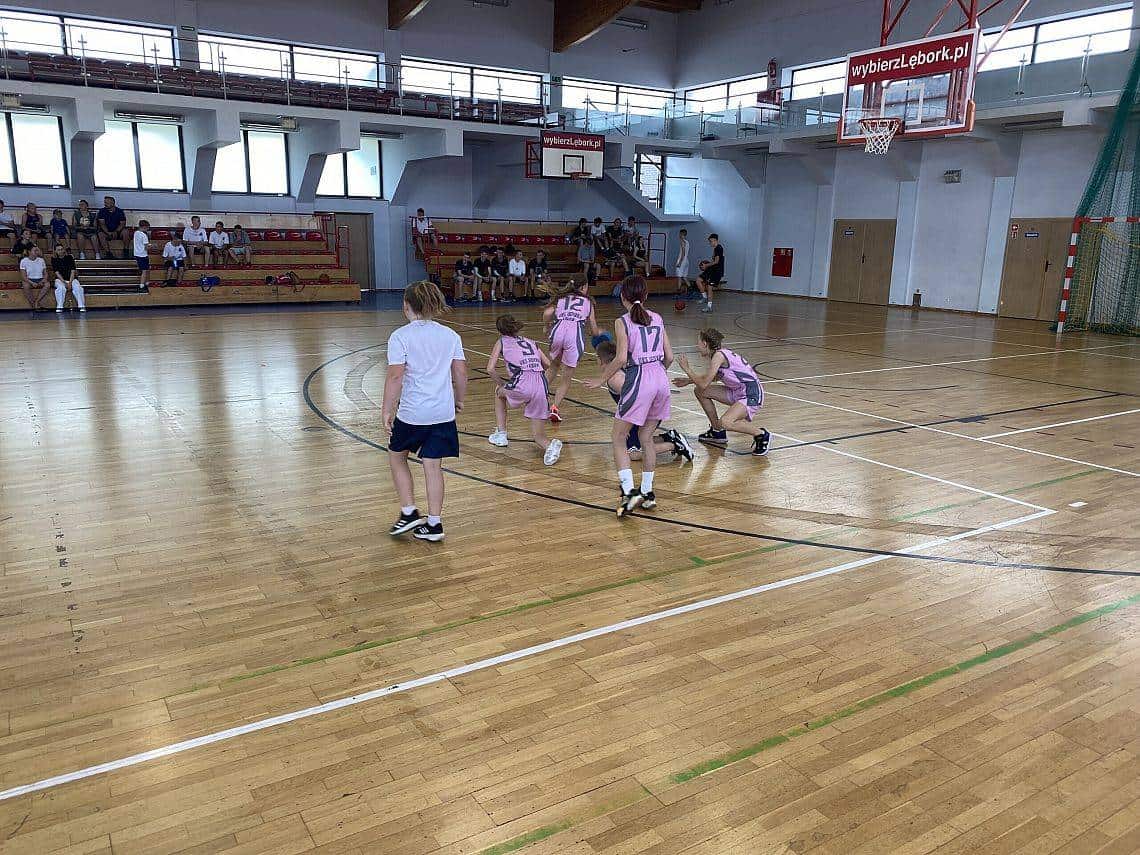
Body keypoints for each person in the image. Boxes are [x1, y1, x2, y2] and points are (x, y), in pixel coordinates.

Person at [383, 280, 467, 543]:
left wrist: (387, 409)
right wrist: (459, 400)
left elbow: (395, 376)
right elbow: (460, 372)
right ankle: (434, 523)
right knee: (433, 466)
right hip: (442, 413)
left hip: (413, 413)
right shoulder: (450, 335)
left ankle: (409, 511)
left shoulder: (400, 336)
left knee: (397, 456)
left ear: (406, 305)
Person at [584, 275, 674, 517]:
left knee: (618, 437)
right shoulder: (658, 318)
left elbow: (621, 358)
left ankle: (628, 493)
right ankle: (648, 493)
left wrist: (601, 379)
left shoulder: (622, 321)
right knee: (646, 438)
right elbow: (670, 357)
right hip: (661, 379)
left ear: (622, 296)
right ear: (646, 296)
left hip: (640, 379)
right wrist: (657, 374)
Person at [674, 327, 771, 455]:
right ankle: (717, 431)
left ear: (705, 344)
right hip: (738, 391)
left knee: (725, 422)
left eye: (698, 343)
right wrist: (689, 380)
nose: (697, 347)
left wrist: (687, 369)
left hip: (750, 394)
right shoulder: (719, 355)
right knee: (700, 391)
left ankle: (761, 434)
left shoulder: (719, 356)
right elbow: (713, 378)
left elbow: (704, 383)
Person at [595, 338, 692, 463]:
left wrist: (625, 422)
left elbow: (635, 397)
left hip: (647, 410)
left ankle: (676, 445)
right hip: (646, 409)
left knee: (633, 454)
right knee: (634, 440)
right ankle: (669, 437)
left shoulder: (615, 378)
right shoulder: (618, 371)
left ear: (599, 360)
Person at [486, 314, 562, 466]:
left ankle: (501, 434)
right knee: (538, 436)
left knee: (498, 392)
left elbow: (490, 369)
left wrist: (501, 384)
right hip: (540, 384)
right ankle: (550, 446)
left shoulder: (501, 341)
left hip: (522, 382)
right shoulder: (531, 341)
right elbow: (547, 364)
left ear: (500, 330)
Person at [543, 278, 599, 424]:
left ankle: (538, 397)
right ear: (584, 287)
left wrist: (546, 326)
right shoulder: (588, 302)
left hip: (558, 332)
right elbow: (594, 328)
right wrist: (596, 333)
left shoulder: (561, 297)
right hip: (574, 336)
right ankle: (554, 408)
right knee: (566, 377)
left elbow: (547, 313)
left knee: (553, 367)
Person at [50, 243, 84, 313]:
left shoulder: (69, 257)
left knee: (77, 287)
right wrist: (64, 282)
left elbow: (73, 271)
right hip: (60, 280)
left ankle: (81, 306)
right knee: (61, 288)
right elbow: (57, 272)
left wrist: (70, 282)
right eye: (58, 250)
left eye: (61, 249)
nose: (60, 251)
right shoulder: (54, 259)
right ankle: (60, 306)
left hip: (71, 279)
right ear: (55, 251)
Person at [697, 233, 724, 313]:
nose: (710, 243)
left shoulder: (719, 248)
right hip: (712, 270)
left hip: (717, 272)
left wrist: (706, 265)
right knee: (698, 280)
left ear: (715, 240)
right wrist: (707, 266)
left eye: (711, 241)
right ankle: (704, 297)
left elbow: (716, 262)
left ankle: (709, 307)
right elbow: (714, 261)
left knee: (709, 288)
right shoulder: (715, 249)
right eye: (709, 241)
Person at [19, 244, 50, 310]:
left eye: (37, 250)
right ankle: (33, 304)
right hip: (29, 279)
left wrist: (43, 280)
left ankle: (37, 301)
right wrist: (32, 283)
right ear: (29, 252)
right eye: (35, 250)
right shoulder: (23, 261)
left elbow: (45, 273)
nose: (37, 252)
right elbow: (23, 276)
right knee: (25, 286)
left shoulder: (41, 260)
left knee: (47, 285)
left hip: (40, 279)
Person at [133, 220, 152, 290]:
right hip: (143, 255)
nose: (148, 229)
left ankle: (147, 282)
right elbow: (146, 247)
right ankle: (142, 285)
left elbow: (140, 244)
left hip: (137, 254)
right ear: (144, 227)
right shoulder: (144, 235)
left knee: (146, 269)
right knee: (144, 270)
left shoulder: (136, 233)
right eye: (148, 227)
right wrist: (152, 246)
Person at [675, 228, 692, 293]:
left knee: (679, 277)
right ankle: (691, 289)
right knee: (684, 277)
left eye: (679, 234)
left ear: (681, 234)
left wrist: (680, 262)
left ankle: (678, 291)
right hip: (686, 260)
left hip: (682, 261)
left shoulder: (682, 241)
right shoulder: (687, 242)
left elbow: (683, 253)